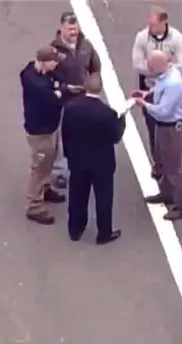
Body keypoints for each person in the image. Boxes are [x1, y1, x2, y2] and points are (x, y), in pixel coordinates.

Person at [132, 5, 182, 190]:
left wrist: (157, 68)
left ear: (163, 22)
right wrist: (159, 67)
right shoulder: (141, 38)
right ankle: (160, 166)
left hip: (167, 89)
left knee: (176, 134)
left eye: (153, 24)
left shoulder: (177, 38)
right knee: (154, 131)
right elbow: (138, 65)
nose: (149, 27)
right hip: (150, 86)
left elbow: (180, 64)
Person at [61, 75, 126, 245]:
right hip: (102, 163)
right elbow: (115, 137)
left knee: (77, 195)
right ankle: (104, 233)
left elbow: (65, 133)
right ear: (101, 89)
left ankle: (75, 229)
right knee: (103, 197)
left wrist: (68, 154)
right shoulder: (106, 113)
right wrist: (122, 120)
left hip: (78, 159)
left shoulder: (71, 108)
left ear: (84, 87)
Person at [134, 50, 182, 221]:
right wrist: (147, 94)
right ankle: (167, 193)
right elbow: (159, 90)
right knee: (164, 161)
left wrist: (144, 105)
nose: (148, 68)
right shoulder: (167, 75)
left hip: (171, 128)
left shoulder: (173, 83)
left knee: (175, 169)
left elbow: (164, 111)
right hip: (164, 128)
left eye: (150, 65)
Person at [49, 10, 102, 190]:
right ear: (61, 28)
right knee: (62, 137)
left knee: (83, 135)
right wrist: (64, 88)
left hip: (82, 98)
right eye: (70, 29)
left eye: (75, 28)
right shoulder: (54, 50)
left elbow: (96, 66)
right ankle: (59, 172)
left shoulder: (86, 45)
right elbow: (49, 76)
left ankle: (82, 166)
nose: (73, 32)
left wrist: (93, 83)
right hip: (62, 101)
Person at [20, 46, 67, 225]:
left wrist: (58, 89)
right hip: (40, 131)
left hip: (51, 127)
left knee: (50, 159)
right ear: (44, 61)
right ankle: (34, 205)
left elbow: (59, 84)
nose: (56, 65)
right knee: (39, 167)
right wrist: (58, 91)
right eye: (54, 62)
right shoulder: (34, 81)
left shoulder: (44, 74)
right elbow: (54, 99)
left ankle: (45, 189)